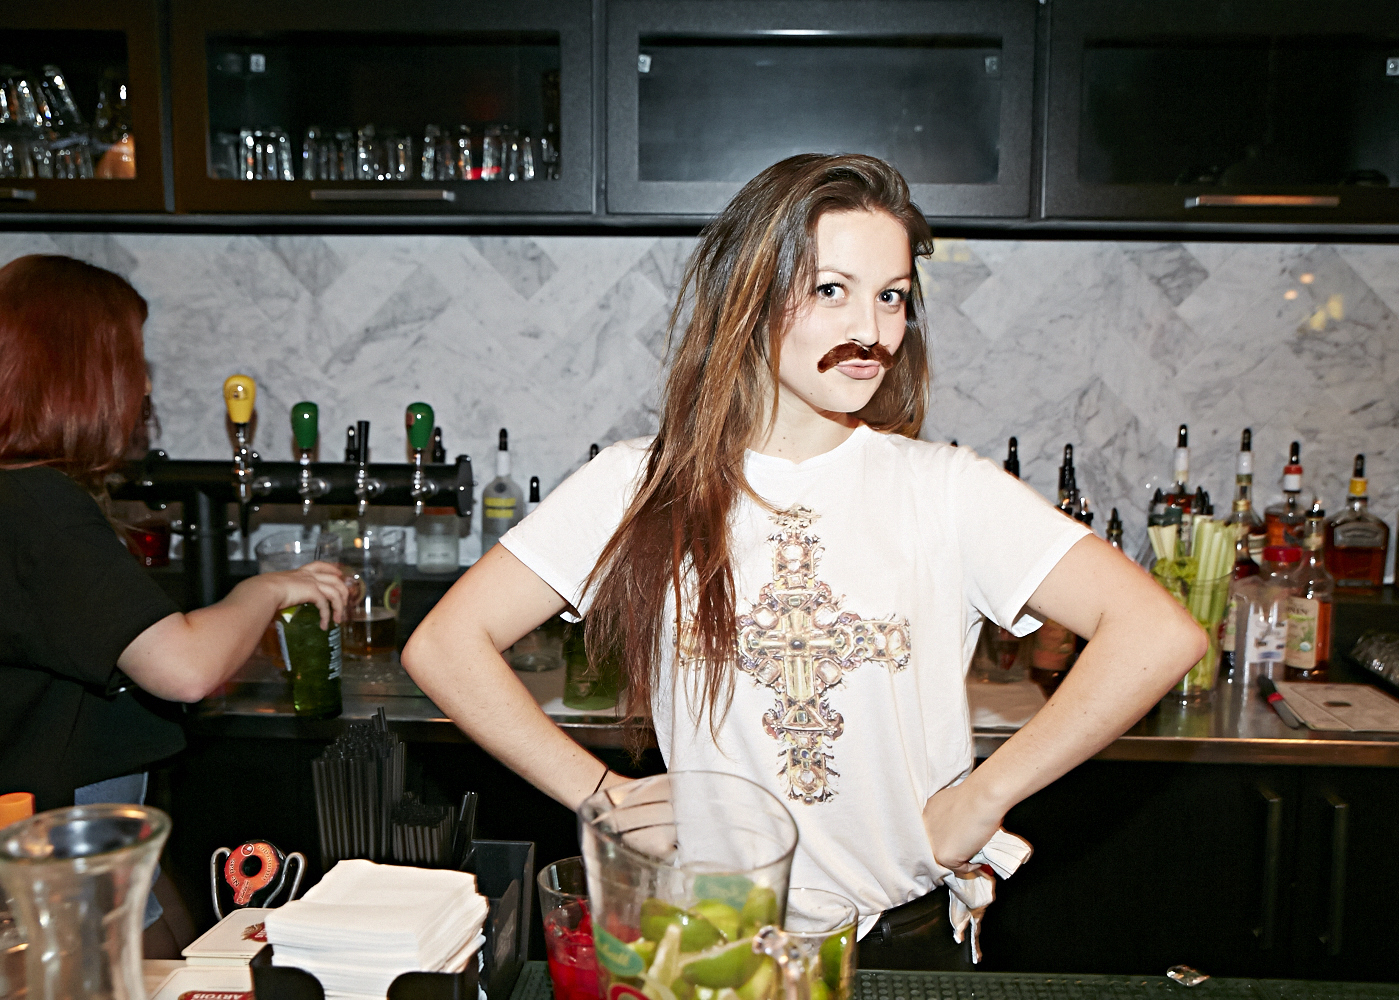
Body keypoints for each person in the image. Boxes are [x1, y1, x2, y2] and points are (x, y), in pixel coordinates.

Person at [403, 155, 1205, 967]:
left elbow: (1156, 632)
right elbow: (444, 645)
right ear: (748, 298)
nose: (873, 330)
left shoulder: (947, 489)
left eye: (891, 296)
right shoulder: (638, 484)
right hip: (713, 943)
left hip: (897, 945)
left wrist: (986, 793)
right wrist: (605, 796)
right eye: (831, 290)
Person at [0, 254, 347, 820]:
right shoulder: (37, 504)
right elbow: (185, 669)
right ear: (81, 376)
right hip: (56, 839)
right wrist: (268, 589)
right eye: (131, 361)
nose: (144, 384)